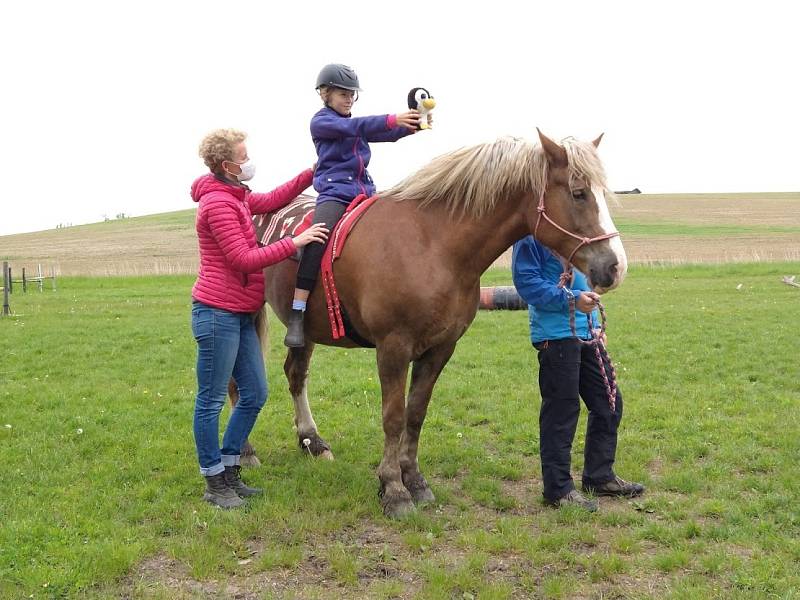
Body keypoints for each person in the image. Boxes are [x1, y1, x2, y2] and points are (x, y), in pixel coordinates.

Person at [191, 128, 329, 508]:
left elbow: (273, 199)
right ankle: (213, 481)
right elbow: (242, 259)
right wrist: (294, 243)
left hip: (237, 315)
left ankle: (231, 466)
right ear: (227, 165)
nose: (248, 160)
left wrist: (312, 172)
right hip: (217, 314)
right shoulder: (218, 205)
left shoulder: (238, 196)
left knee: (254, 393)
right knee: (210, 400)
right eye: (243, 155)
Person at [283, 63, 428, 347]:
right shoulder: (322, 122)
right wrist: (392, 118)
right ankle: (298, 313)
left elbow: (383, 133)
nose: (349, 98)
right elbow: (357, 127)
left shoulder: (352, 123)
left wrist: (414, 124)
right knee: (316, 241)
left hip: (366, 192)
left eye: (352, 94)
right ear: (325, 94)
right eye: (342, 93)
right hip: (335, 195)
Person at [511, 235, 645, 511]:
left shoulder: (574, 239)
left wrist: (595, 325)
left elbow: (585, 287)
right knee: (561, 413)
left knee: (609, 404)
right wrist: (571, 299)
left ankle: (599, 477)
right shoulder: (529, 241)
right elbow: (527, 285)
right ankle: (558, 490)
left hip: (587, 334)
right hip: (555, 338)